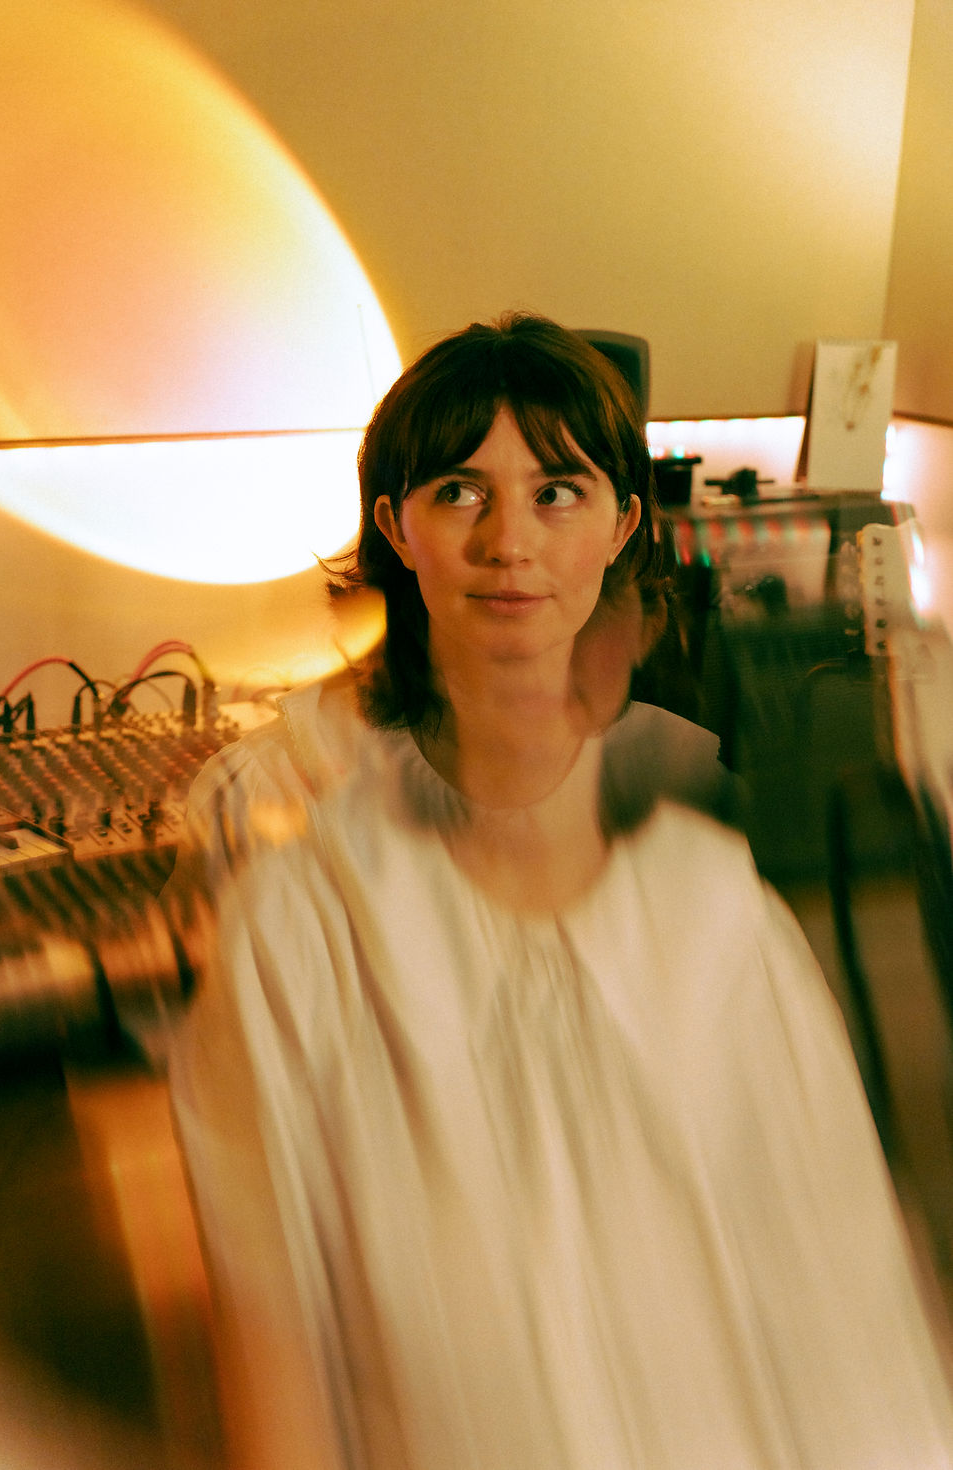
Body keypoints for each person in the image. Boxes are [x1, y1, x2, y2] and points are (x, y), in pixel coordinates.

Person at [166, 314, 953, 1469]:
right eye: (458, 491)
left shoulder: (717, 916)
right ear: (395, 527)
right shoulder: (301, 932)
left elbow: (844, 1309)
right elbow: (273, 1337)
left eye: (555, 491)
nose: (508, 543)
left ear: (621, 524)